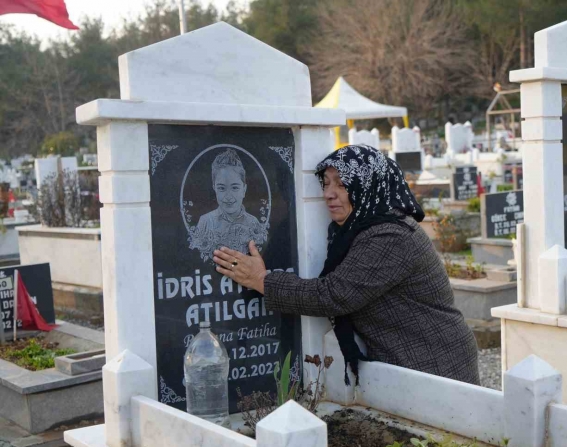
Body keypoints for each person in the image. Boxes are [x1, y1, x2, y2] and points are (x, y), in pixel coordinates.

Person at [213, 145, 480, 386]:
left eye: (342, 185)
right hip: (410, 361)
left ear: (369, 185)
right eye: (326, 183)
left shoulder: (391, 235)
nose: (329, 194)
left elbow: (333, 295)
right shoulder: (353, 230)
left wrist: (261, 279)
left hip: (435, 361)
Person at [189, 148, 267, 261]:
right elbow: (195, 258)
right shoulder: (205, 222)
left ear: (244, 190)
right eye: (221, 188)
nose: (228, 196)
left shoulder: (253, 223)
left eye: (235, 188)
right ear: (214, 188)